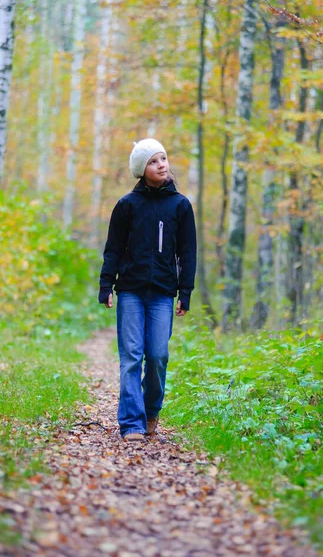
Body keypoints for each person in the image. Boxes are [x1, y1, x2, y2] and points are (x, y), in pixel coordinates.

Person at [98, 138, 197, 442]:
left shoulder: (180, 205)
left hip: (163, 293)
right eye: (154, 161)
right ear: (142, 170)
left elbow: (188, 252)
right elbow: (113, 248)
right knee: (131, 356)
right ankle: (131, 423)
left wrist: (185, 292)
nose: (162, 165)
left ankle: (151, 410)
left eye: (164, 158)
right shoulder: (127, 205)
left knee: (157, 356)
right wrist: (106, 285)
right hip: (130, 291)